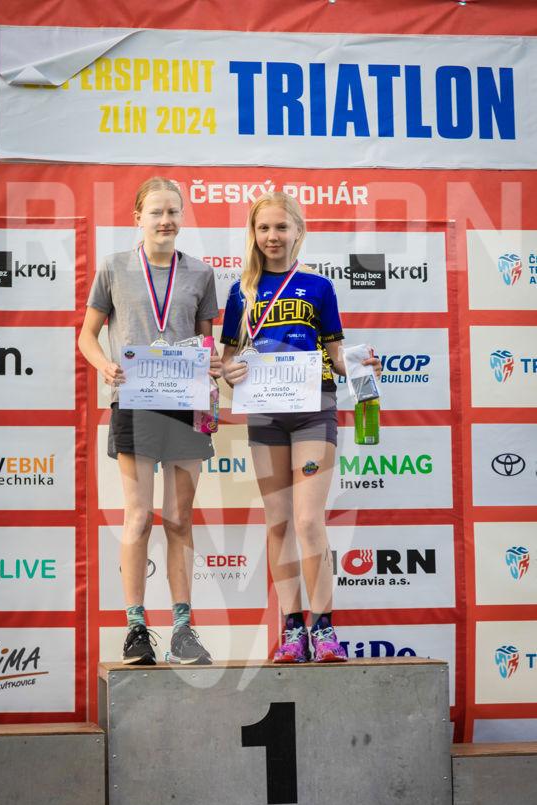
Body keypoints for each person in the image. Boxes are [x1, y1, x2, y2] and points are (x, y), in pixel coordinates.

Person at [221, 192, 380, 663]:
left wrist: (363, 365)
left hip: (314, 409)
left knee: (309, 521)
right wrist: (229, 372)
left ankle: (324, 628)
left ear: (298, 232)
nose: (272, 236)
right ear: (253, 234)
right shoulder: (240, 292)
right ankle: (293, 629)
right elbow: (228, 362)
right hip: (266, 414)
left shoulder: (319, 287)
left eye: (281, 227)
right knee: (278, 523)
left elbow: (336, 355)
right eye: (263, 228)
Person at [79, 176, 221, 666]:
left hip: (184, 406)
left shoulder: (201, 273)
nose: (165, 221)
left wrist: (212, 370)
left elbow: (205, 343)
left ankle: (182, 629)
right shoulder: (114, 267)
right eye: (156, 212)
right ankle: (136, 628)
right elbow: (87, 335)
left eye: (173, 212)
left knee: (179, 518)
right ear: (137, 217)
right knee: (138, 517)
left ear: (182, 217)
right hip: (134, 403)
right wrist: (105, 365)